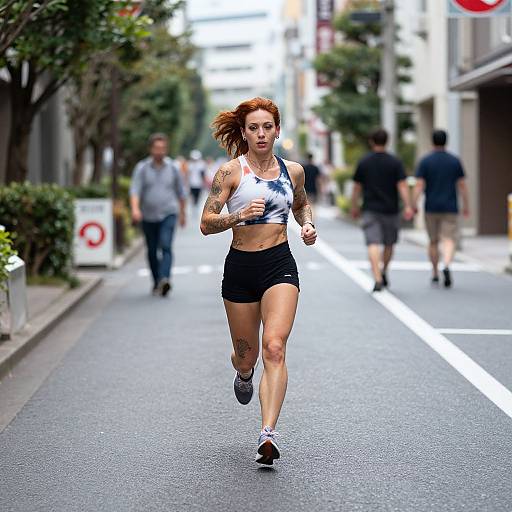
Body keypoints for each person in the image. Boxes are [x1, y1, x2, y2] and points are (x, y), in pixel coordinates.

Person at [200, 97, 317, 466]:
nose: (261, 133)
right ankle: (243, 370)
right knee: (247, 354)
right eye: (253, 127)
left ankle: (267, 434)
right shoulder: (231, 173)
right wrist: (237, 216)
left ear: (277, 130)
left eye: (267, 127)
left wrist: (308, 224)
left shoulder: (293, 170)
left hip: (279, 263)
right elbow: (205, 222)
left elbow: (300, 203)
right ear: (244, 132)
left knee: (275, 347)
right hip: (240, 268)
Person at [351, 128, 414, 292]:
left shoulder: (364, 162)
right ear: (387, 141)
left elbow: (357, 187)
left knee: (372, 243)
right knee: (389, 243)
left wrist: (354, 206)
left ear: (372, 141)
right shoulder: (395, 162)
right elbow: (402, 186)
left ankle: (377, 278)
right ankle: (384, 270)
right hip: (391, 209)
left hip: (370, 209)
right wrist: (408, 205)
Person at [130, 133, 186, 297]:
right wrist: (135, 209)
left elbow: (181, 193)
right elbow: (135, 191)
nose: (159, 151)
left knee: (166, 245)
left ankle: (165, 279)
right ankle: (156, 281)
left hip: (168, 213)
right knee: (152, 250)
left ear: (166, 149)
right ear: (150, 149)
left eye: (162, 148)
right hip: (148, 216)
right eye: (156, 148)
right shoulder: (142, 168)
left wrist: (182, 214)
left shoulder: (173, 168)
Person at [412, 129, 470, 288]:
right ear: (446, 141)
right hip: (450, 206)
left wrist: (413, 204)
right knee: (449, 238)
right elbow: (462, 185)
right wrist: (466, 205)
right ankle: (447, 264)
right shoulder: (454, 161)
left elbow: (419, 185)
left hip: (431, 206)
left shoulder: (425, 161)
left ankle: (435, 272)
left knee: (433, 241)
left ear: (432, 141)